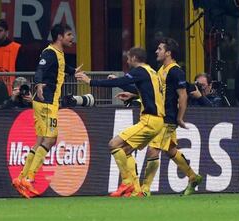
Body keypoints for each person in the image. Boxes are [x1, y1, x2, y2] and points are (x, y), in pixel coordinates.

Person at [76, 47, 164, 197]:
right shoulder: (151, 72)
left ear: (135, 58)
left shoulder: (139, 71)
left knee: (113, 144)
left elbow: (123, 80)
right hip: (157, 121)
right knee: (126, 151)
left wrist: (90, 82)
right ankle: (136, 189)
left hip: (149, 120)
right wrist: (130, 93)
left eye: (129, 58)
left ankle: (127, 182)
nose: (127, 61)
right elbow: (146, 91)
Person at [11, 23, 82, 198]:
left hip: (45, 103)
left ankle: (21, 178)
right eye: (69, 35)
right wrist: (39, 84)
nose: (72, 38)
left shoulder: (58, 53)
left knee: (41, 140)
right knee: (50, 140)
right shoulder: (49, 52)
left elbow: (60, 67)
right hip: (47, 102)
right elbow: (40, 69)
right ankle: (29, 178)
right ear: (59, 37)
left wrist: (73, 72)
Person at [137, 38, 202, 196]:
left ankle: (145, 188)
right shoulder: (161, 70)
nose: (156, 51)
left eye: (160, 49)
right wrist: (133, 95)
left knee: (153, 150)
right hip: (161, 116)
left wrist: (180, 117)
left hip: (168, 118)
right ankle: (193, 177)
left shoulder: (175, 71)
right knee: (171, 150)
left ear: (168, 53)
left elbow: (183, 96)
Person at [0, 19, 25, 95]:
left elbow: (21, 71)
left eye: (0, 31)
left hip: (10, 92)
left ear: (6, 32)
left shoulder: (17, 48)